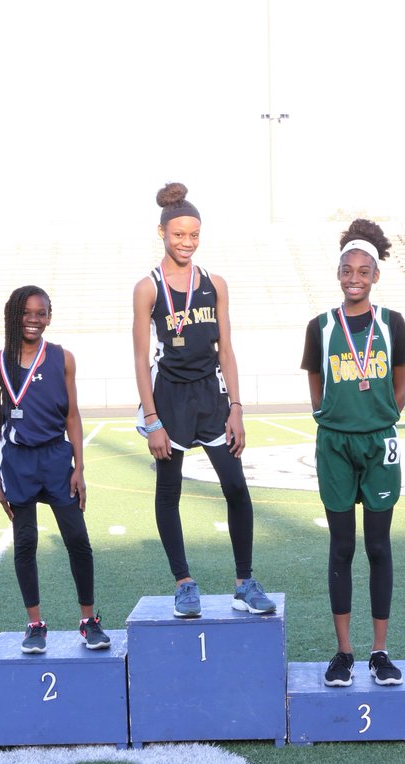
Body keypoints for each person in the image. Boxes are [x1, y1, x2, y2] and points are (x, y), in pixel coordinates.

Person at [132, 182, 275, 619]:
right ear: (162, 233)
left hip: (211, 397)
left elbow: (226, 349)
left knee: (235, 486)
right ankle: (183, 583)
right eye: (178, 235)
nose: (186, 243)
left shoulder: (215, 283)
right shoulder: (148, 287)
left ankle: (244, 582)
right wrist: (152, 420)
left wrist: (236, 407)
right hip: (169, 400)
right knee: (169, 491)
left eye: (193, 235)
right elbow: (140, 357)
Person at [301, 218, 405, 688]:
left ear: (375, 276)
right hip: (335, 444)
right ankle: (344, 652)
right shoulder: (322, 326)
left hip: (378, 441)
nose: (354, 278)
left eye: (363, 271)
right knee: (342, 547)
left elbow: (402, 379)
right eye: (347, 270)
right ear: (338, 273)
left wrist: (385, 412)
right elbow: (314, 381)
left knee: (378, 547)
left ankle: (379, 652)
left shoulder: (392, 323)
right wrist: (327, 412)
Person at [0, 285, 110, 654]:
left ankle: (89, 621)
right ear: (13, 315)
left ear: (50, 317)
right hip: (18, 462)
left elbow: (72, 414)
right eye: (27, 313)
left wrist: (79, 467)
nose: (34, 320)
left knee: (77, 540)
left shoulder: (62, 358)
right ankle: (35, 625)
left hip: (57, 458)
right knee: (25, 542)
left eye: (41, 313)